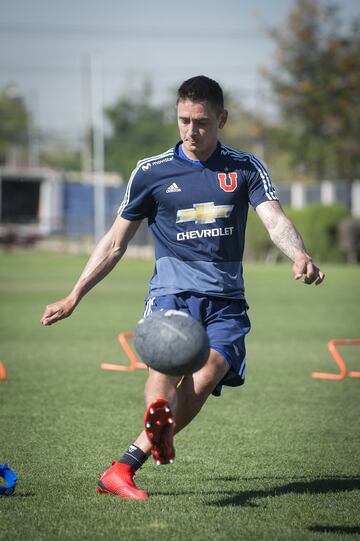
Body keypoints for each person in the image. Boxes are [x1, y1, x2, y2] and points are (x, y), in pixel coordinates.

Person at [41, 75, 325, 500]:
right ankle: (158, 420)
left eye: (203, 122)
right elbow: (115, 242)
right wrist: (74, 294)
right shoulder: (151, 172)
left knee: (210, 371)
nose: (192, 131)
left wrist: (299, 254)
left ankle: (133, 457)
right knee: (166, 365)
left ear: (222, 119)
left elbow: (275, 220)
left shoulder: (245, 168)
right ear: (177, 116)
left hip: (226, 301)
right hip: (172, 294)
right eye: (184, 120)